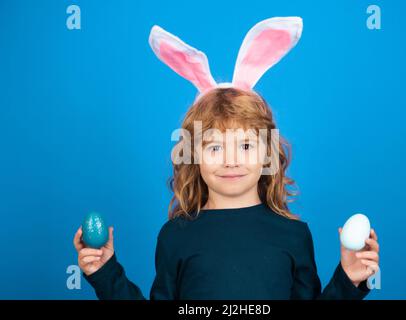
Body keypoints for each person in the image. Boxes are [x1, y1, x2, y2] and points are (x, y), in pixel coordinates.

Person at [73, 17, 380, 300]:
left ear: (267, 154)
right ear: (193, 155)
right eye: (215, 147)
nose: (231, 160)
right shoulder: (175, 236)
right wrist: (105, 272)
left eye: (246, 146)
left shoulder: (294, 235)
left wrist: (348, 280)